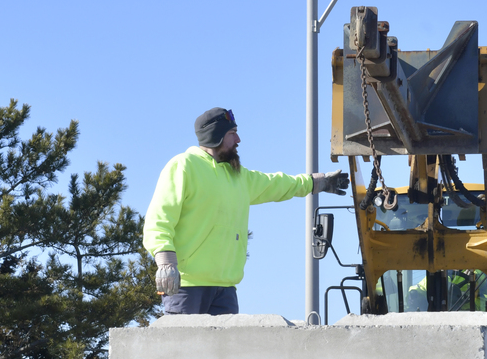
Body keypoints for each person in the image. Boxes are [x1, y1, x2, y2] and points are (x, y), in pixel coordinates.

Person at [143, 107, 349, 315]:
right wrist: (166, 263)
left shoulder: (239, 177)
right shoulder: (184, 166)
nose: (238, 139)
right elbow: (159, 220)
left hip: (226, 289)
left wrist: (317, 183)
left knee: (226, 349)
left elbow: (277, 184)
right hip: (186, 287)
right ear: (215, 135)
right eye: (232, 133)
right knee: (184, 348)